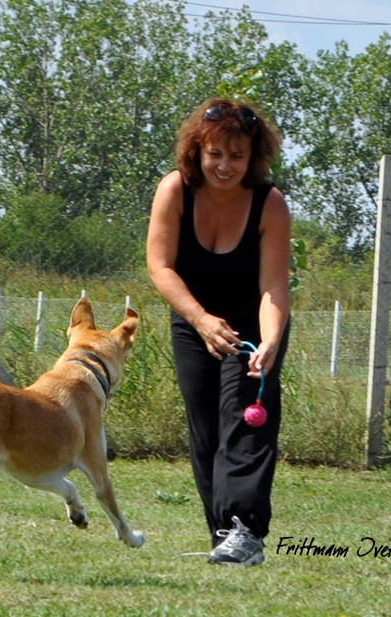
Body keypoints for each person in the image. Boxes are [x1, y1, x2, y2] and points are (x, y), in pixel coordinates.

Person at [146, 97, 290, 567]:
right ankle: (223, 533)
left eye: (237, 156)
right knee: (206, 429)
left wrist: (269, 341)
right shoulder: (174, 190)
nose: (225, 166)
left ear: (253, 158)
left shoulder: (269, 204)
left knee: (244, 420)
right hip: (194, 320)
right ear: (197, 150)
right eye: (215, 154)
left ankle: (245, 530)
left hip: (253, 324)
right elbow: (161, 267)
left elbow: (273, 285)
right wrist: (201, 321)